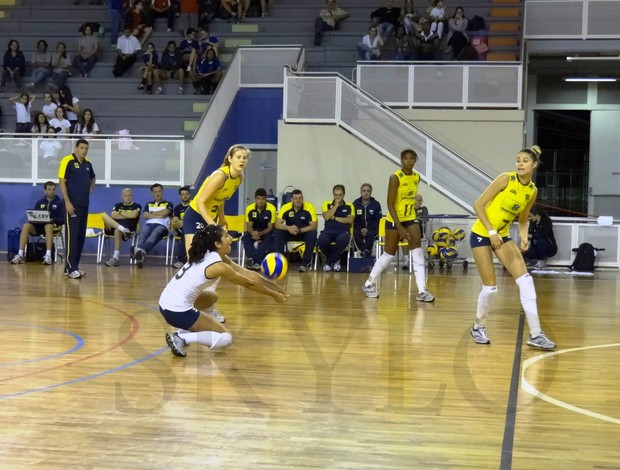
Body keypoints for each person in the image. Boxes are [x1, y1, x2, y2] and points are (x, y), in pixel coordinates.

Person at [468, 145, 556, 350]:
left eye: (525, 161)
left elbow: (523, 219)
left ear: (534, 165)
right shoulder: (505, 179)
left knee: (526, 281)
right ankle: (478, 326)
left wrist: (524, 238)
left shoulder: (532, 190)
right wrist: (491, 232)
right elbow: (478, 205)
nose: (520, 164)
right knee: (490, 289)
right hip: (483, 234)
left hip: (503, 236)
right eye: (518, 160)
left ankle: (536, 334)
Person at [160, 225, 288, 357]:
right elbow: (248, 283)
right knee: (226, 338)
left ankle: (185, 331)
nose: (231, 238)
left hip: (165, 303)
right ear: (217, 243)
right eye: (226, 236)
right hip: (176, 311)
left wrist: (274, 286)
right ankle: (181, 338)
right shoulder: (218, 266)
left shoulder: (211, 254)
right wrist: (273, 295)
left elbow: (246, 273)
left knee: (212, 297)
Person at [362, 148, 435, 302]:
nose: (408, 161)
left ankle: (422, 290)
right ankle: (369, 283)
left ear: (415, 160)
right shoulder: (395, 177)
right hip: (394, 219)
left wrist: (406, 222)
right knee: (389, 254)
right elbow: (389, 203)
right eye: (405, 158)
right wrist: (399, 226)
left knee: (417, 250)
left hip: (410, 218)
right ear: (401, 160)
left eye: (411, 158)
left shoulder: (416, 177)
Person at [182, 144, 249, 259]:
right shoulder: (220, 175)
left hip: (210, 218)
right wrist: (213, 225)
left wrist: (221, 218)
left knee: (211, 257)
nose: (242, 160)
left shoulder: (239, 178)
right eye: (238, 157)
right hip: (195, 215)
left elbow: (221, 198)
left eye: (245, 158)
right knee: (193, 258)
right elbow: (200, 202)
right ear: (230, 159)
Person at [58, 138, 96, 279]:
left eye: (86, 148)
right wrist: (67, 202)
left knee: (80, 237)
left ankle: (73, 268)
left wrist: (92, 185)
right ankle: (70, 267)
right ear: (76, 148)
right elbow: (62, 181)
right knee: (72, 237)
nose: (84, 151)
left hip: (84, 204)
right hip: (72, 205)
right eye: (81, 148)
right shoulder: (67, 160)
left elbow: (93, 177)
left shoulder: (88, 163)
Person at [10, 181, 65, 266]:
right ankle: (20, 254)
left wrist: (51, 219)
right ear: (45, 191)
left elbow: (63, 219)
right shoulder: (40, 202)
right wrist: (32, 219)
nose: (51, 191)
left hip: (53, 227)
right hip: (39, 226)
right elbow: (35, 215)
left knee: (48, 226)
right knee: (26, 226)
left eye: (53, 189)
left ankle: (48, 255)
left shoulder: (60, 203)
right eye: (49, 189)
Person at [273, 189, 319, 273]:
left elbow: (313, 226)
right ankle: (280, 263)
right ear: (291, 200)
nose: (298, 200)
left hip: (303, 232)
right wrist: (288, 228)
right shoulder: (285, 207)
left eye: (300, 198)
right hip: (290, 232)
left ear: (303, 198)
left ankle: (305, 263)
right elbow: (277, 224)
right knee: (278, 233)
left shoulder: (309, 207)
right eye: (295, 198)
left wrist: (300, 230)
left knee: (313, 233)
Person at [133, 183, 174, 268]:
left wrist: (151, 213)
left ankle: (138, 251)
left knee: (154, 235)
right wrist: (159, 215)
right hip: (149, 224)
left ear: (162, 192)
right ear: (152, 193)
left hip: (162, 226)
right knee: (142, 234)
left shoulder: (169, 204)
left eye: (159, 191)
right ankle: (140, 256)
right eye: (155, 192)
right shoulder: (149, 204)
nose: (157, 193)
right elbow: (144, 215)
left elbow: (165, 212)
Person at [317, 184, 355, 271]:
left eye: (340, 195)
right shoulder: (326, 204)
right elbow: (326, 217)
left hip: (343, 231)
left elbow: (349, 220)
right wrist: (336, 206)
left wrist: (334, 218)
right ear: (333, 195)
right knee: (322, 240)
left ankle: (328, 262)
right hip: (328, 231)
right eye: (336, 195)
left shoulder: (349, 206)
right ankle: (336, 259)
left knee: (344, 239)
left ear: (344, 194)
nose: (338, 197)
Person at [104, 188, 142, 267]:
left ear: (132, 196)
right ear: (122, 196)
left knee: (118, 230)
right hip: (116, 226)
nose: (128, 197)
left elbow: (134, 215)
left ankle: (115, 258)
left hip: (129, 228)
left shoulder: (137, 206)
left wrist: (120, 212)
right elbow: (113, 215)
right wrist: (128, 215)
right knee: (104, 215)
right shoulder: (118, 205)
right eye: (125, 196)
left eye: (129, 195)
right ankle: (123, 229)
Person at [242, 187, 277, 270]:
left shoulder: (271, 209)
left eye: (263, 198)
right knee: (245, 236)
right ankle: (257, 260)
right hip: (254, 231)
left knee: (270, 237)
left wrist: (260, 234)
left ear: (266, 199)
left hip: (266, 231)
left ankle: (254, 260)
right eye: (258, 198)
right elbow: (249, 227)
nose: (261, 201)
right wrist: (253, 233)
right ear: (255, 199)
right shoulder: (249, 209)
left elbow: (270, 227)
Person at [353, 183, 382, 258]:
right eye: (364, 191)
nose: (366, 193)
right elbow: (354, 219)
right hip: (359, 228)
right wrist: (361, 229)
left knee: (371, 233)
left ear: (371, 192)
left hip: (372, 228)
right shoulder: (355, 203)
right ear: (361, 192)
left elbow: (378, 219)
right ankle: (364, 251)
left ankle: (366, 251)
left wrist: (367, 229)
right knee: (355, 232)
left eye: (368, 191)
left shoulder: (376, 204)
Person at [171, 185, 192, 269]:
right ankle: (181, 261)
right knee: (185, 232)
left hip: (193, 227)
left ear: (190, 195)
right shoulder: (177, 208)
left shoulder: (194, 205)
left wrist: (184, 222)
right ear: (180, 196)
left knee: (186, 230)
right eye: (183, 194)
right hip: (181, 229)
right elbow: (175, 221)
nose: (185, 196)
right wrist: (178, 222)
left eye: (187, 194)